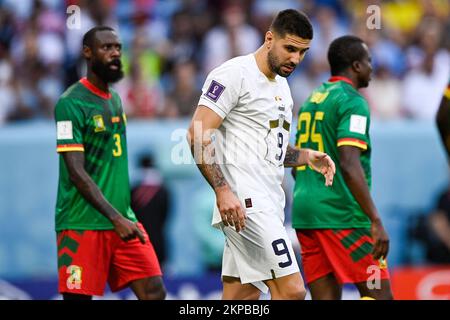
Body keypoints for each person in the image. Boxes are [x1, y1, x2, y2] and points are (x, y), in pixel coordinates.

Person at [187, 9, 336, 300]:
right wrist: (222, 190)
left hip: (268, 202)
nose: (296, 59)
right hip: (246, 202)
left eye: (303, 52)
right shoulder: (234, 74)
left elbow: (269, 150)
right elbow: (197, 134)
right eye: (289, 48)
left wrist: (304, 157)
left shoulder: (282, 85)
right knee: (292, 291)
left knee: (240, 297)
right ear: (269, 39)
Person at [53, 26, 165, 300]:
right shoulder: (70, 104)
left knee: (154, 292)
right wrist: (114, 217)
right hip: (82, 223)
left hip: (122, 220)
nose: (115, 53)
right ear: (87, 53)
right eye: (106, 48)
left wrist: (120, 216)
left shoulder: (115, 99)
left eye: (118, 48)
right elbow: (76, 172)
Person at [291, 35, 393, 300]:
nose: (372, 67)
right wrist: (375, 219)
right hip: (341, 214)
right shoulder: (353, 101)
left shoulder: (313, 98)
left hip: (305, 211)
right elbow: (348, 164)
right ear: (356, 66)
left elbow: (295, 161)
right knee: (380, 295)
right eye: (368, 61)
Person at [131, 153, 170, 267]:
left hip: (138, 239)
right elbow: (165, 216)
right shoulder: (163, 191)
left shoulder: (134, 190)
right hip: (158, 239)